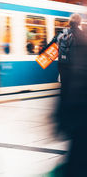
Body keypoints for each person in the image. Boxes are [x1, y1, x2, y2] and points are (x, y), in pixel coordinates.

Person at [52, 13, 87, 176]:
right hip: (78, 89)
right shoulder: (82, 37)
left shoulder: (60, 35)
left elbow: (49, 52)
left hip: (64, 75)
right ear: (79, 23)